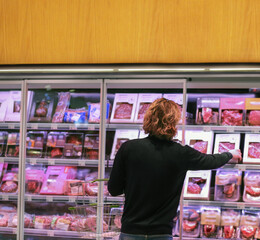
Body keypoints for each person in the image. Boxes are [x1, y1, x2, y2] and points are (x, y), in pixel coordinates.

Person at [108, 98, 241, 240]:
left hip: (130, 231)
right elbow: (210, 161)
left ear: (148, 119)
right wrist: (230, 154)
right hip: (161, 233)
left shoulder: (128, 148)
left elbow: (114, 189)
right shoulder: (180, 152)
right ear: (173, 122)